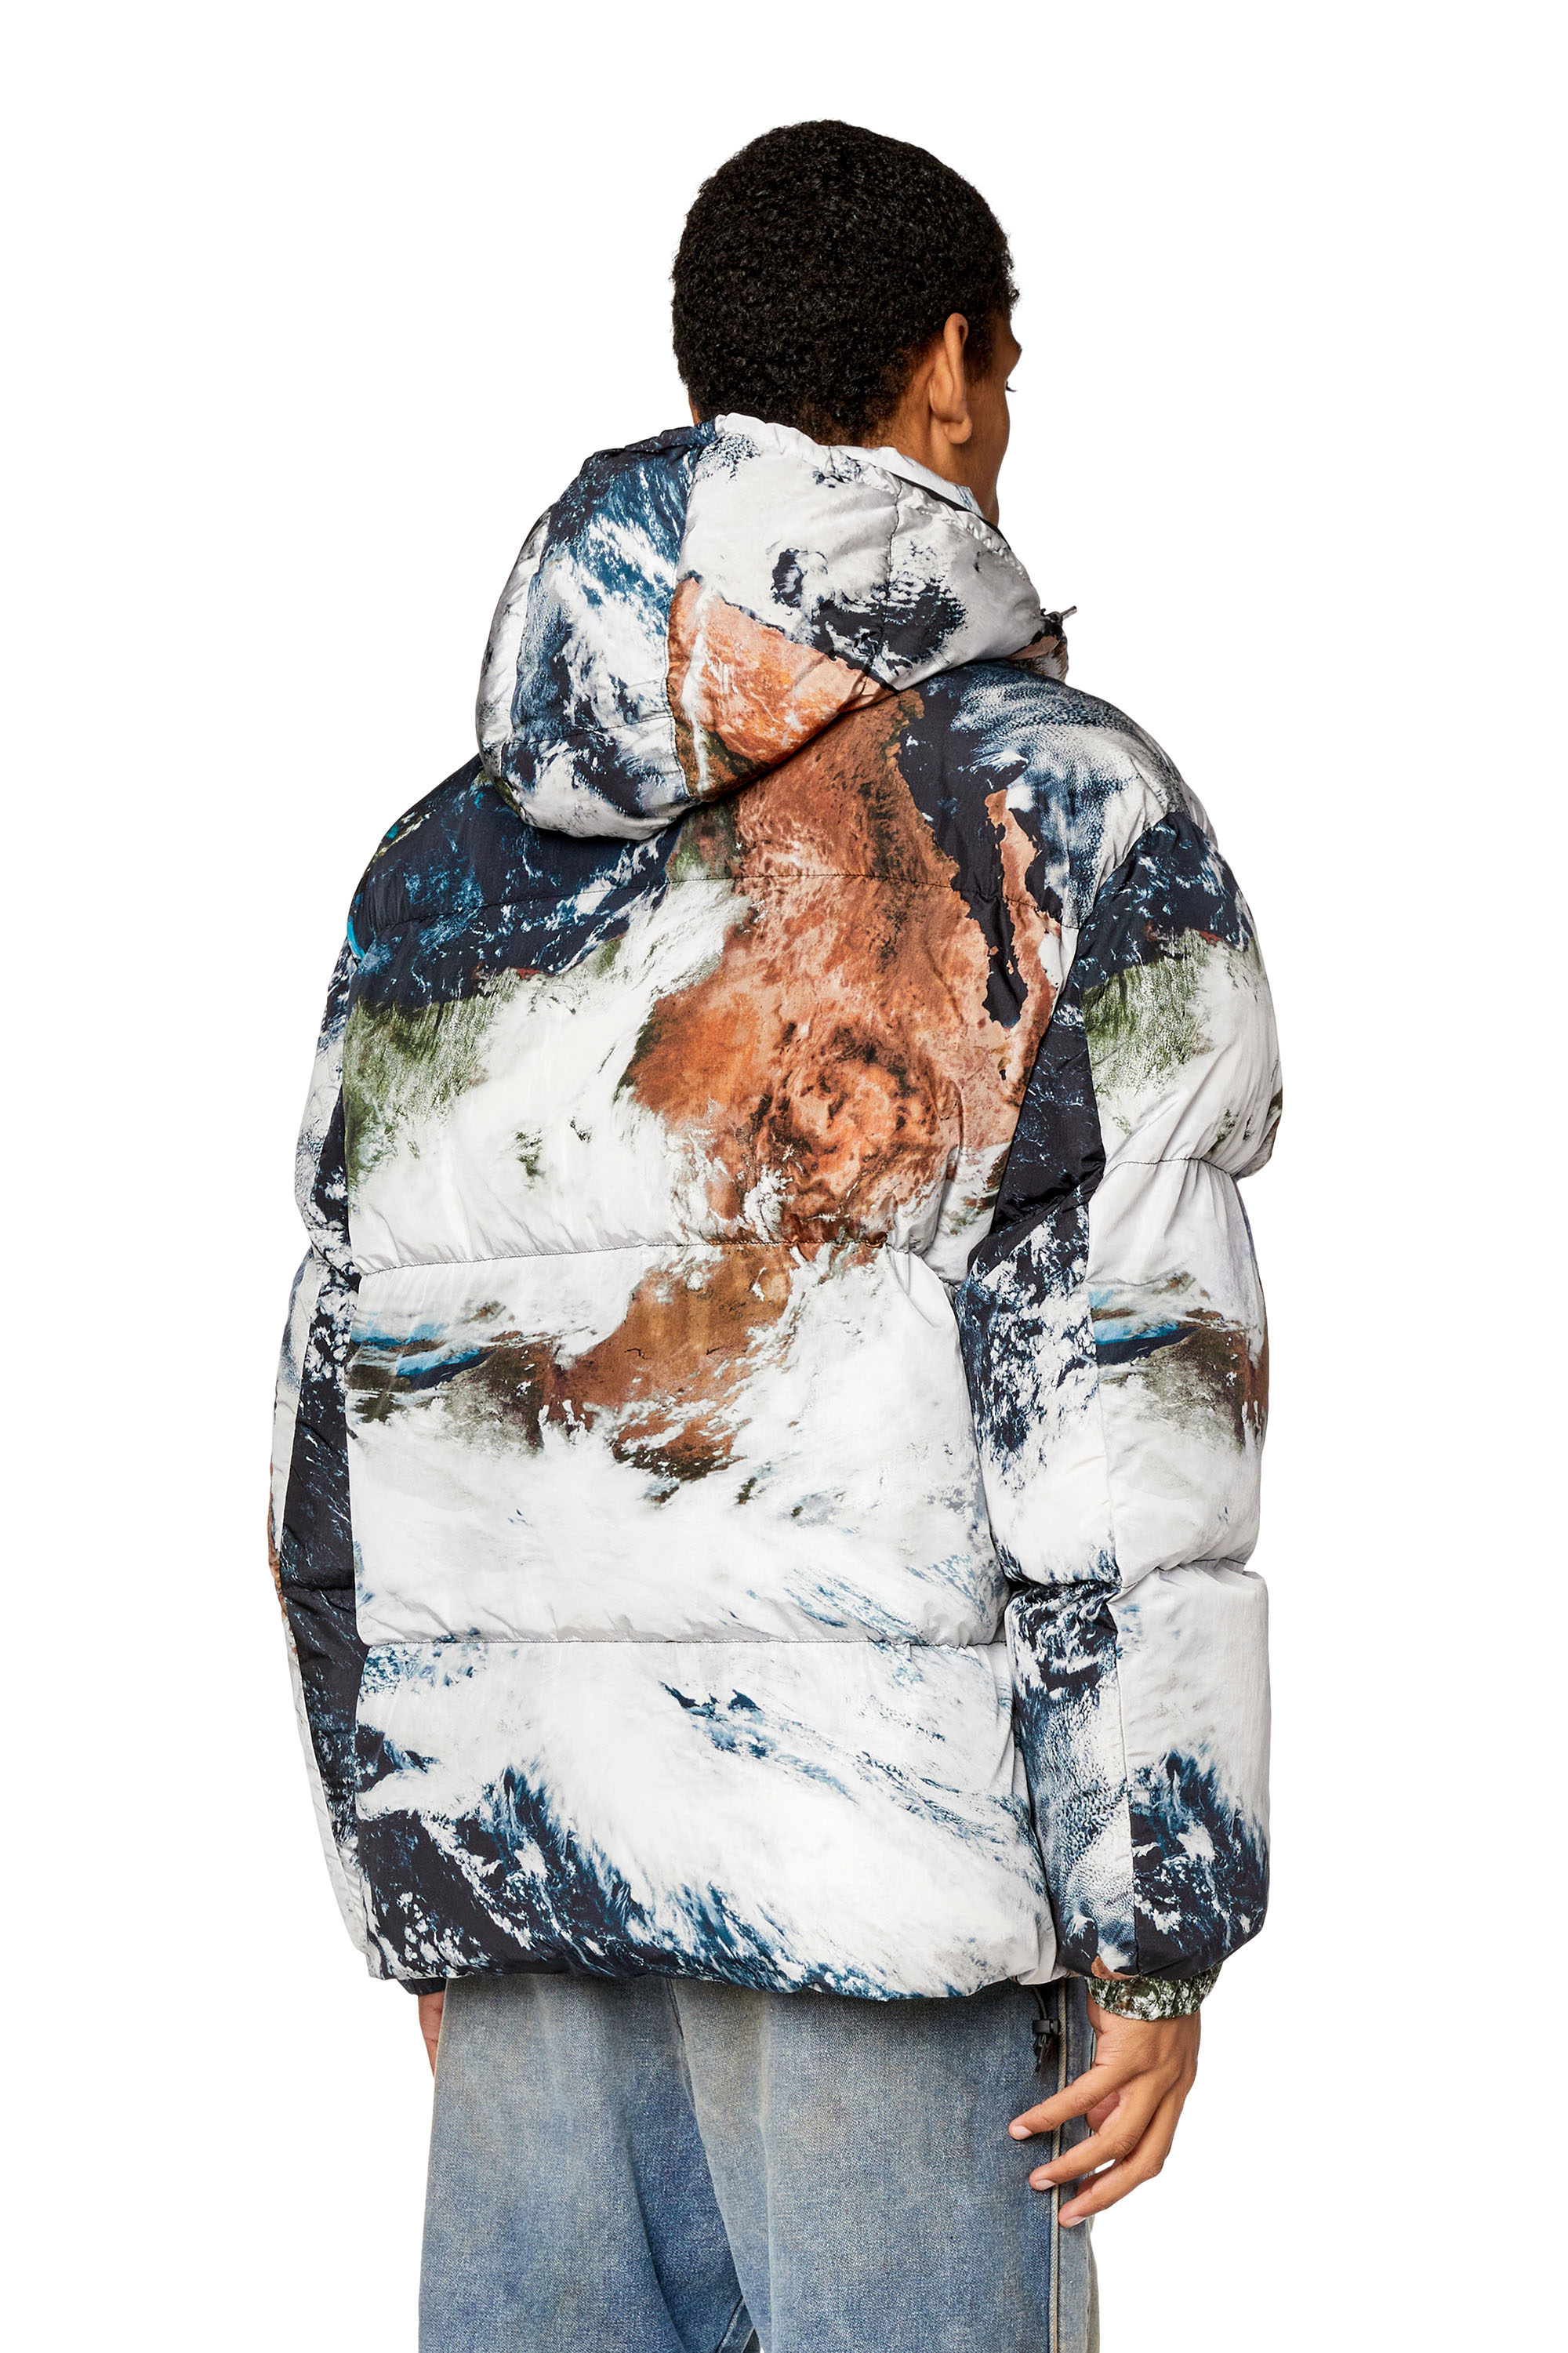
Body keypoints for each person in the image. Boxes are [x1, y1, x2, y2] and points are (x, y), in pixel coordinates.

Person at [270, 118, 1279, 2353]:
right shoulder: (1060, 808)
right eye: (1003, 376)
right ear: (950, 370)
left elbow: (330, 1416)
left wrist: (415, 1872)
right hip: (887, 1906)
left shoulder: (438, 864)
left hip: (530, 1886)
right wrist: (1156, 1911)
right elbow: (1126, 1391)